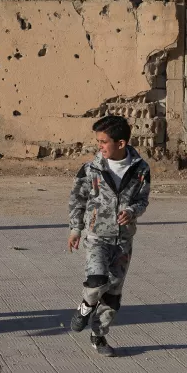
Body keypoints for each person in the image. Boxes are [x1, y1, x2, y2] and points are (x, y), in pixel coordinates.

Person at [67, 115, 150, 357]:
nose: (99, 147)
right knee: (96, 281)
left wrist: (133, 211)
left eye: (104, 142)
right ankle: (85, 306)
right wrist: (75, 229)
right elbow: (77, 199)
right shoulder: (91, 168)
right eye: (98, 142)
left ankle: (99, 335)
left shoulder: (140, 169)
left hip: (123, 240)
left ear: (121, 143)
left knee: (113, 292)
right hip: (96, 236)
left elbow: (143, 199)